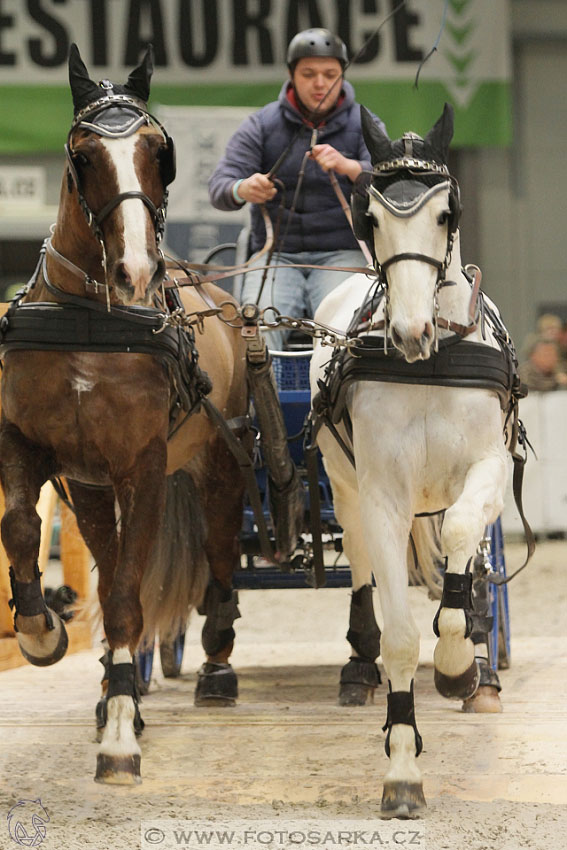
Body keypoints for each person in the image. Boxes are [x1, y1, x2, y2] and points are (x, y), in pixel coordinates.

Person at [208, 28, 385, 349]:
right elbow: (220, 187)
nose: (320, 83)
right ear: (292, 75)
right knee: (258, 330)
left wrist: (349, 167)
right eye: (309, 74)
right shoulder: (261, 125)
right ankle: (263, 399)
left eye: (330, 74)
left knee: (345, 333)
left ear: (342, 76)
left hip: (343, 255)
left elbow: (390, 185)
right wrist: (243, 189)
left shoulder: (364, 124)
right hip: (277, 257)